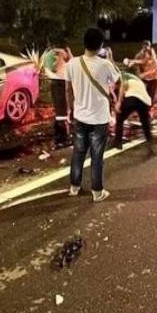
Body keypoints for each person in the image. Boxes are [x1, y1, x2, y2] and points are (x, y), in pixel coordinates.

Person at [66, 27, 120, 202]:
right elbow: (117, 79)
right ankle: (97, 192)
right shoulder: (105, 64)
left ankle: (74, 187)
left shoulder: (72, 63)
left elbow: (68, 90)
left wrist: (69, 109)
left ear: (84, 43)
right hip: (99, 119)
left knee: (78, 152)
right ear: (101, 45)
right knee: (97, 156)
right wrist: (111, 58)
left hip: (80, 116)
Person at [114, 67, 154, 154]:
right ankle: (150, 143)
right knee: (145, 123)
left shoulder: (123, 75)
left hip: (132, 98)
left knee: (120, 119)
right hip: (145, 101)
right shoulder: (138, 80)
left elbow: (123, 86)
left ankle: (118, 143)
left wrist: (119, 102)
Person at [42, 39, 73, 148]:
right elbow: (56, 68)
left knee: (61, 110)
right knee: (62, 111)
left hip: (59, 82)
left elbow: (71, 63)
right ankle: (62, 138)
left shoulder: (52, 54)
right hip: (60, 82)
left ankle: (60, 137)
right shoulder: (55, 55)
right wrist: (61, 58)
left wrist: (68, 55)